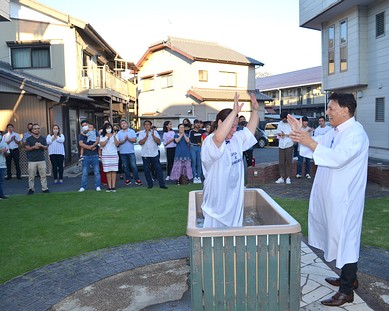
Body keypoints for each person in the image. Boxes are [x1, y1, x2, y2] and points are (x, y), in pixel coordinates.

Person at [288, 93, 369, 307]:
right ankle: (349, 278)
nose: (327, 112)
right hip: (331, 196)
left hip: (345, 199)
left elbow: (338, 158)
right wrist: (300, 132)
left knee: (346, 240)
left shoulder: (355, 134)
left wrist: (309, 141)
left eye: (331, 108)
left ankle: (346, 291)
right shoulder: (335, 132)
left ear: (345, 109)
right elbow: (314, 146)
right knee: (337, 236)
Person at [201, 92, 259, 228]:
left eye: (236, 126)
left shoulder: (236, 139)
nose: (234, 130)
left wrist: (255, 110)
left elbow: (249, 132)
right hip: (216, 207)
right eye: (231, 126)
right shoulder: (209, 142)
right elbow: (218, 138)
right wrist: (234, 112)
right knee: (214, 245)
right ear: (221, 123)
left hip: (234, 203)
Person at [138, 120, 167, 189]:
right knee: (146, 170)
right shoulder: (141, 133)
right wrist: (146, 136)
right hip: (145, 154)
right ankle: (150, 184)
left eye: (148, 124)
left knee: (158, 169)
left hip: (154, 154)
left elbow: (159, 142)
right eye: (145, 124)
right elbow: (140, 142)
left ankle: (162, 184)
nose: (147, 126)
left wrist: (153, 135)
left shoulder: (155, 132)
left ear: (150, 126)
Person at [24, 124, 49, 194]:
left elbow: (46, 148)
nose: (37, 130)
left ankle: (45, 188)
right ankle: (31, 189)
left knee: (43, 175)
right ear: (32, 130)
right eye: (35, 128)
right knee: (31, 176)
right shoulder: (29, 139)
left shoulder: (42, 138)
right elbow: (27, 148)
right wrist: (34, 147)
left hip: (41, 159)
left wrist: (41, 145)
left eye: (38, 128)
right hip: (32, 160)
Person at [116, 119, 142, 186]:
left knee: (133, 166)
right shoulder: (119, 133)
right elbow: (117, 143)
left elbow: (134, 140)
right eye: (122, 124)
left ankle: (137, 179)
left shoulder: (132, 131)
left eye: (124, 123)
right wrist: (124, 140)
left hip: (131, 151)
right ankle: (128, 179)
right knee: (125, 166)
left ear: (127, 124)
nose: (123, 125)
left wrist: (128, 139)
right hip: (122, 152)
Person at [78, 120, 101, 192]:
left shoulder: (95, 132)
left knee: (96, 172)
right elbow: (80, 144)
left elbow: (98, 140)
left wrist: (93, 145)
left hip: (95, 155)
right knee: (84, 172)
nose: (85, 127)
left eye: (85, 125)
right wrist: (89, 147)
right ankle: (83, 186)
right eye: (83, 126)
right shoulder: (81, 134)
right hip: (85, 156)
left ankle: (98, 186)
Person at [99, 122, 119, 192]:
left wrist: (114, 136)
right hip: (106, 155)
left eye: (109, 128)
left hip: (114, 154)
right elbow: (101, 145)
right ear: (105, 129)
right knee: (107, 171)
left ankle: (113, 186)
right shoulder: (102, 136)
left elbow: (117, 144)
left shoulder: (115, 135)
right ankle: (109, 186)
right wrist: (107, 138)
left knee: (113, 171)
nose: (108, 129)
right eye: (107, 128)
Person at [275, 111, 294, 184]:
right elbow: (278, 132)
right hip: (281, 144)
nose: (283, 120)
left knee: (288, 161)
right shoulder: (280, 123)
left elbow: (293, 134)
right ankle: (282, 177)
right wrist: (281, 134)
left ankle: (288, 177)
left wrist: (285, 135)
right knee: (281, 162)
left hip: (289, 144)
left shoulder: (291, 123)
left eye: (284, 118)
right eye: (282, 119)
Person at [189, 119, 204, 183]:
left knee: (199, 163)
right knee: (194, 162)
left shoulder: (201, 131)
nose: (198, 125)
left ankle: (199, 176)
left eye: (199, 123)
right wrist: (198, 143)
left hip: (199, 148)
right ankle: (194, 177)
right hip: (193, 147)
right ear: (194, 124)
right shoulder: (191, 131)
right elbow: (191, 140)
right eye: (197, 123)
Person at [0, 132, 9, 199]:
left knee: (1, 182)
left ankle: (1, 195)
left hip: (2, 165)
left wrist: (5, 152)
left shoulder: (4, 144)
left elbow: (7, 155)